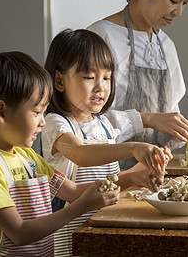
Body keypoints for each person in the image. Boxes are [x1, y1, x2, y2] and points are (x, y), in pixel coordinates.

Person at [0, 51, 121, 257]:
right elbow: (19, 233)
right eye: (36, 112)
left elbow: (74, 191)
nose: (43, 122)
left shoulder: (28, 157)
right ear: (1, 112)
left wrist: (125, 181)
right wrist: (81, 207)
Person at [41, 29, 172, 256]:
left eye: (107, 78)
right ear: (59, 81)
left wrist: (137, 175)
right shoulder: (55, 124)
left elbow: (107, 186)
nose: (100, 87)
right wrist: (133, 147)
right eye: (89, 77)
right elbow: (80, 153)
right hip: (70, 241)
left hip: (106, 233)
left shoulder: (105, 127)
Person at [87, 0, 188, 170]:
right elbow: (84, 124)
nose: (179, 12)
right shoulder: (100, 37)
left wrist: (185, 130)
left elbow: (168, 116)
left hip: (152, 175)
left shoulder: (165, 45)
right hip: (105, 176)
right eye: (174, 0)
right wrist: (148, 119)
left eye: (185, 3)